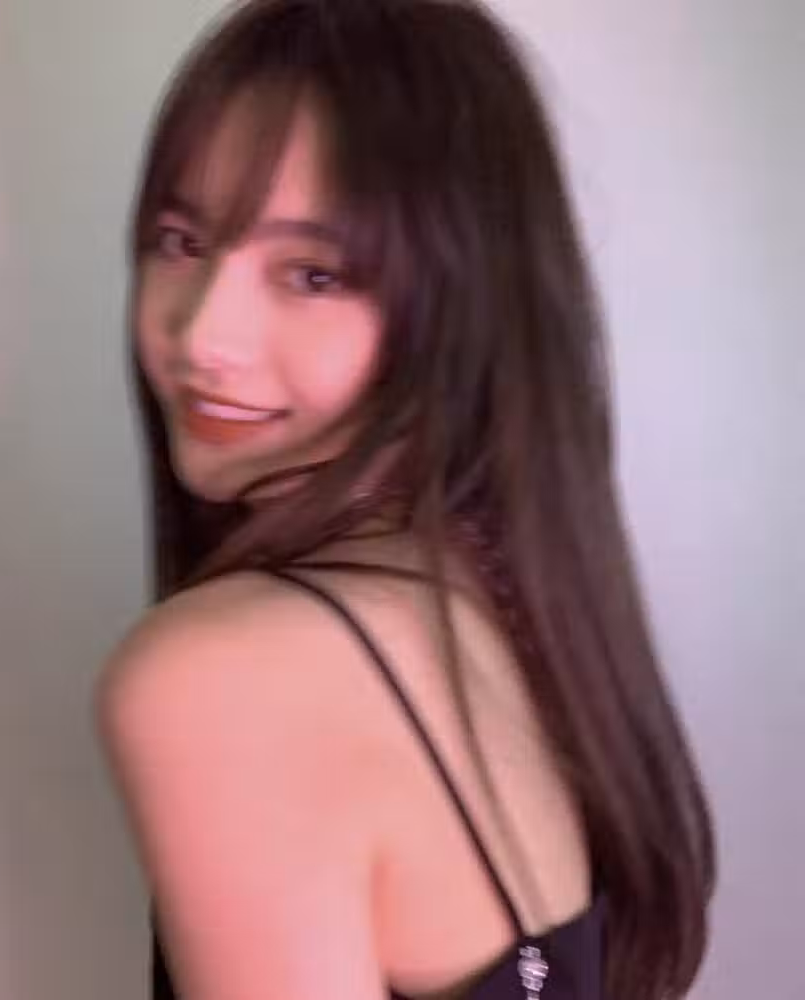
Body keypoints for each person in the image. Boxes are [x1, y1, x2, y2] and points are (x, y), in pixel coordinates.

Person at [96, 1, 716, 998]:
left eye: (313, 273)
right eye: (182, 240)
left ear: (460, 303)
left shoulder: (225, 676)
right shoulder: (499, 597)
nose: (203, 335)